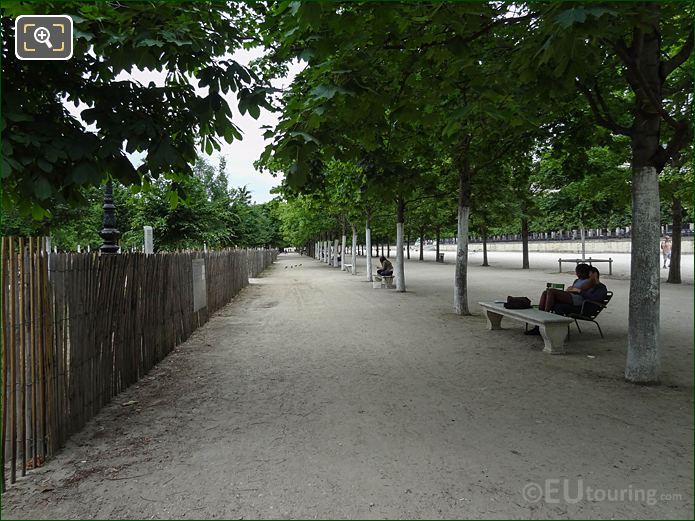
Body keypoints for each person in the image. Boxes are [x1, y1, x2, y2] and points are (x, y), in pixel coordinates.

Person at [525, 263, 592, 335]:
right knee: (545, 292)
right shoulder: (577, 280)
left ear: (583, 272)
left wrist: (573, 289)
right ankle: (538, 325)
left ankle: (545, 315)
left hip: (578, 299)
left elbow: (580, 291)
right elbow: (571, 289)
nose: (576, 274)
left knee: (551, 291)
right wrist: (572, 289)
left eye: (577, 272)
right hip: (571, 296)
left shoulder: (589, 281)